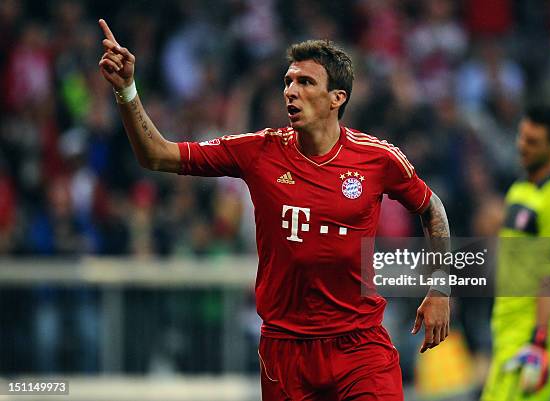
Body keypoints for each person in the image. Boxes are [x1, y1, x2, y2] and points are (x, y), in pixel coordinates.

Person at [98, 19, 450, 400]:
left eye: (305, 82)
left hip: (358, 347)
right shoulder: (257, 151)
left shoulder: (377, 158)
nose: (290, 92)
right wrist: (127, 90)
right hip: (286, 350)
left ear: (337, 98)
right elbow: (157, 155)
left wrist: (440, 288)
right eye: (288, 81)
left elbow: (432, 209)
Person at [481, 106, 550, 401]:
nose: (522, 146)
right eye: (522, 137)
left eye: (533, 141)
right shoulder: (519, 191)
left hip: (535, 334)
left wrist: (539, 339)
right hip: (506, 329)